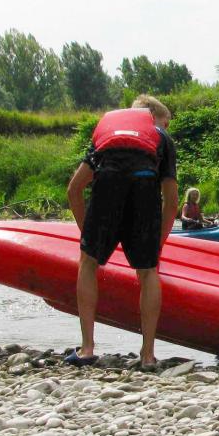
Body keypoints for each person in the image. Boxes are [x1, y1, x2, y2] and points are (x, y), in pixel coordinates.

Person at [66, 95, 178, 369]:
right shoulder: (161, 137)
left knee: (88, 263)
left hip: (108, 184)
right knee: (149, 271)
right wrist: (158, 244)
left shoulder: (109, 132)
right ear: (154, 117)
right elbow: (172, 201)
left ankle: (88, 348)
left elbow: (74, 189)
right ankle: (148, 355)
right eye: (165, 123)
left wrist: (87, 236)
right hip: (144, 188)